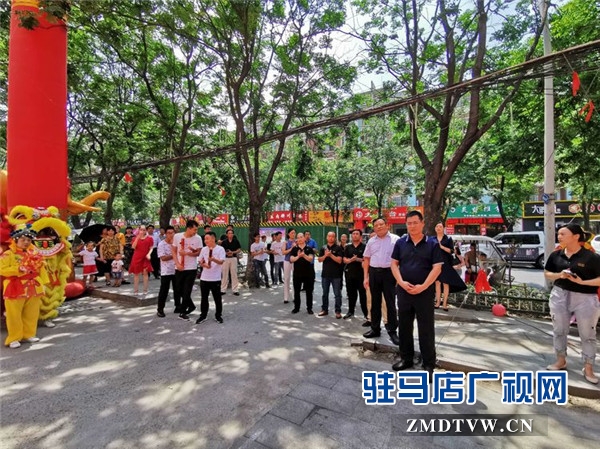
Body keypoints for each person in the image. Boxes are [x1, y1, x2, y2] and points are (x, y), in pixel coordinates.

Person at [544, 224, 600, 385]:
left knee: (587, 335)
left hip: (585, 298)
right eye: (558, 234)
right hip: (559, 294)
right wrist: (560, 275)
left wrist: (583, 282)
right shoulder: (556, 255)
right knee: (559, 330)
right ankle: (561, 360)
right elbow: (547, 274)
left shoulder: (591, 257)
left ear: (576, 236)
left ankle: (588, 367)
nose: (559, 236)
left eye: (563, 234)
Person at [390, 211, 443, 378]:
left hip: (424, 293)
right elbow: (393, 264)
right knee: (404, 326)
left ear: (422, 223)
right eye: (409, 223)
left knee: (425, 328)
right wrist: (401, 282)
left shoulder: (432, 244)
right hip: (404, 291)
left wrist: (423, 286)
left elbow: (437, 268)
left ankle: (428, 363)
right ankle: (406, 358)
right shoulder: (400, 243)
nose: (411, 226)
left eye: (414, 222)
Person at [0, 225, 49, 348]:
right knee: (14, 314)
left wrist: (43, 284)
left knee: (32, 312)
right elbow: (2, 269)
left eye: (28, 240)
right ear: (15, 240)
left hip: (34, 286)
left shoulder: (35, 254)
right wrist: (17, 269)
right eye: (23, 240)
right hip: (15, 286)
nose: (26, 242)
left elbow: (42, 270)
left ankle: (29, 334)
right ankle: (14, 338)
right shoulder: (8, 254)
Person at [362, 217, 400, 346]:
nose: (379, 227)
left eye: (381, 224)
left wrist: (398, 277)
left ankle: (392, 330)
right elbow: (366, 259)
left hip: (389, 273)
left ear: (387, 225)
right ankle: (375, 328)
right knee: (375, 302)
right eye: (376, 225)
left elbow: (400, 260)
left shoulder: (396, 240)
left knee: (390, 302)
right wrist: (365, 277)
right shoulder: (371, 241)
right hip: (373, 273)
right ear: (374, 228)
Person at [172, 219, 202, 320]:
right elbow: (174, 251)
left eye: (196, 230)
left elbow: (198, 253)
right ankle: (191, 305)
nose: (195, 232)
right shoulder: (177, 236)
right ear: (188, 228)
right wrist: (177, 263)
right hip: (179, 267)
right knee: (179, 289)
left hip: (191, 268)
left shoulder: (197, 238)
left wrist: (188, 253)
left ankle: (183, 311)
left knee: (187, 290)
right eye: (194, 229)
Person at [196, 231, 226, 324]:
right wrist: (204, 264)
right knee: (204, 298)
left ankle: (218, 315)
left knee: (217, 298)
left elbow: (221, 261)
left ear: (213, 238)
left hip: (215, 278)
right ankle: (203, 315)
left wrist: (213, 259)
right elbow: (199, 260)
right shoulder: (204, 249)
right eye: (205, 239)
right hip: (204, 278)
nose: (205, 241)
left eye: (207, 238)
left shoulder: (220, 249)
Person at [317, 231, 344, 318]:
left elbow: (339, 260)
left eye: (333, 236)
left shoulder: (338, 248)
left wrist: (331, 255)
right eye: (329, 236)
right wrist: (325, 255)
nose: (331, 238)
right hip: (325, 275)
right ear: (327, 237)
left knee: (337, 294)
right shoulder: (323, 247)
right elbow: (319, 260)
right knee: (325, 293)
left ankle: (338, 311)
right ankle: (324, 309)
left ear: (335, 238)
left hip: (336, 275)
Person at [343, 229, 368, 320]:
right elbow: (344, 259)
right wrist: (350, 260)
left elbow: (367, 260)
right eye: (353, 234)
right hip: (350, 274)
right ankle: (350, 311)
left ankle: (366, 313)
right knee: (351, 295)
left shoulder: (365, 247)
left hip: (361, 275)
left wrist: (357, 259)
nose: (355, 235)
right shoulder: (348, 247)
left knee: (363, 295)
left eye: (357, 234)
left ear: (360, 236)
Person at [431, 222, 454, 311]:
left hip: (446, 264)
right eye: (437, 226)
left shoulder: (448, 239)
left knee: (445, 284)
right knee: (437, 283)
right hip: (435, 264)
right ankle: (437, 302)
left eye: (440, 226)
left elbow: (451, 251)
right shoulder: (432, 239)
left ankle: (445, 303)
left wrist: (442, 247)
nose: (438, 228)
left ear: (443, 228)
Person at [289, 232, 315, 314]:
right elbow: (291, 259)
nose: (300, 239)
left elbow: (310, 259)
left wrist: (303, 255)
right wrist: (298, 256)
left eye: (301, 237)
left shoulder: (309, 249)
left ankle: (309, 308)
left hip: (308, 273)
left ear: (304, 238)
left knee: (309, 292)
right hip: (297, 274)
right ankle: (296, 307)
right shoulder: (294, 249)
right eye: (298, 237)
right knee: (297, 291)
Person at [156, 226, 176, 317]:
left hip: (176, 270)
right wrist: (174, 254)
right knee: (164, 290)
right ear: (166, 234)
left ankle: (178, 306)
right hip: (166, 271)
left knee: (178, 289)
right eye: (169, 233)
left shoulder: (177, 244)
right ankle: (160, 309)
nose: (171, 235)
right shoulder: (161, 244)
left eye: (172, 232)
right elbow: (163, 258)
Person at [129, 225, 154, 297]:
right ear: (138, 230)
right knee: (136, 274)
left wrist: (149, 254)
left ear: (146, 230)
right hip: (136, 257)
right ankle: (136, 290)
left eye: (144, 230)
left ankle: (145, 290)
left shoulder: (150, 238)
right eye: (141, 230)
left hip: (145, 257)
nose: (142, 231)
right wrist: (137, 237)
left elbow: (151, 248)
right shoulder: (134, 238)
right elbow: (133, 247)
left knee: (145, 273)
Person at [220, 228, 241, 296]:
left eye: (231, 233)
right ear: (227, 234)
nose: (230, 234)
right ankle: (223, 289)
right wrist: (226, 253)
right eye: (229, 233)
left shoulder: (236, 241)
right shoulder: (224, 242)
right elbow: (221, 250)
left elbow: (239, 249)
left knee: (234, 274)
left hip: (233, 258)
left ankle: (235, 290)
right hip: (225, 259)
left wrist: (233, 252)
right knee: (224, 274)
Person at [281, 228, 296, 304]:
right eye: (292, 233)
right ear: (288, 234)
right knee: (287, 279)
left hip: (295, 262)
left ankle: (294, 296)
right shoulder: (285, 242)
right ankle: (286, 297)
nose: (293, 234)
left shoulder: (297, 241)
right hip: (287, 261)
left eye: (294, 233)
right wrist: (291, 248)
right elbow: (283, 252)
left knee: (295, 279)